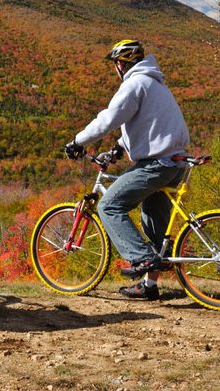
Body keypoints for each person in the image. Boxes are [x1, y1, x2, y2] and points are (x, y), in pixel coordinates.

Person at [64, 39, 190, 301]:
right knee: (154, 222)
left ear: (121, 64)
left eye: (115, 64)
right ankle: (150, 286)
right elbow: (148, 125)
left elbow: (108, 119)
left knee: (108, 206)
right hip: (174, 162)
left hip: (157, 164)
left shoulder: (134, 84)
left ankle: (141, 258)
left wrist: (78, 141)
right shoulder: (155, 83)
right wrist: (120, 148)